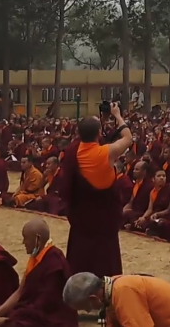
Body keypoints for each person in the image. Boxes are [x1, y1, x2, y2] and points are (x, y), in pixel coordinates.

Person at [59, 103, 133, 278]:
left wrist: (100, 122)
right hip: (104, 219)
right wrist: (117, 115)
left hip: (82, 217)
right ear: (99, 133)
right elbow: (128, 138)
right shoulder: (106, 153)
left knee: (81, 254)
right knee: (106, 258)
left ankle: (78, 284)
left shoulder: (72, 151)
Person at [0, 218, 78, 327]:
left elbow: (44, 306)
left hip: (51, 319)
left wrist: (7, 321)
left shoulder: (54, 264)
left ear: (37, 239)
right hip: (31, 311)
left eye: (25, 238)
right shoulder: (36, 257)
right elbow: (20, 291)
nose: (23, 242)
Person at [62, 272, 170, 327]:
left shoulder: (123, 292)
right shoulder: (111, 287)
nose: (90, 311)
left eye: (86, 307)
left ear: (93, 298)